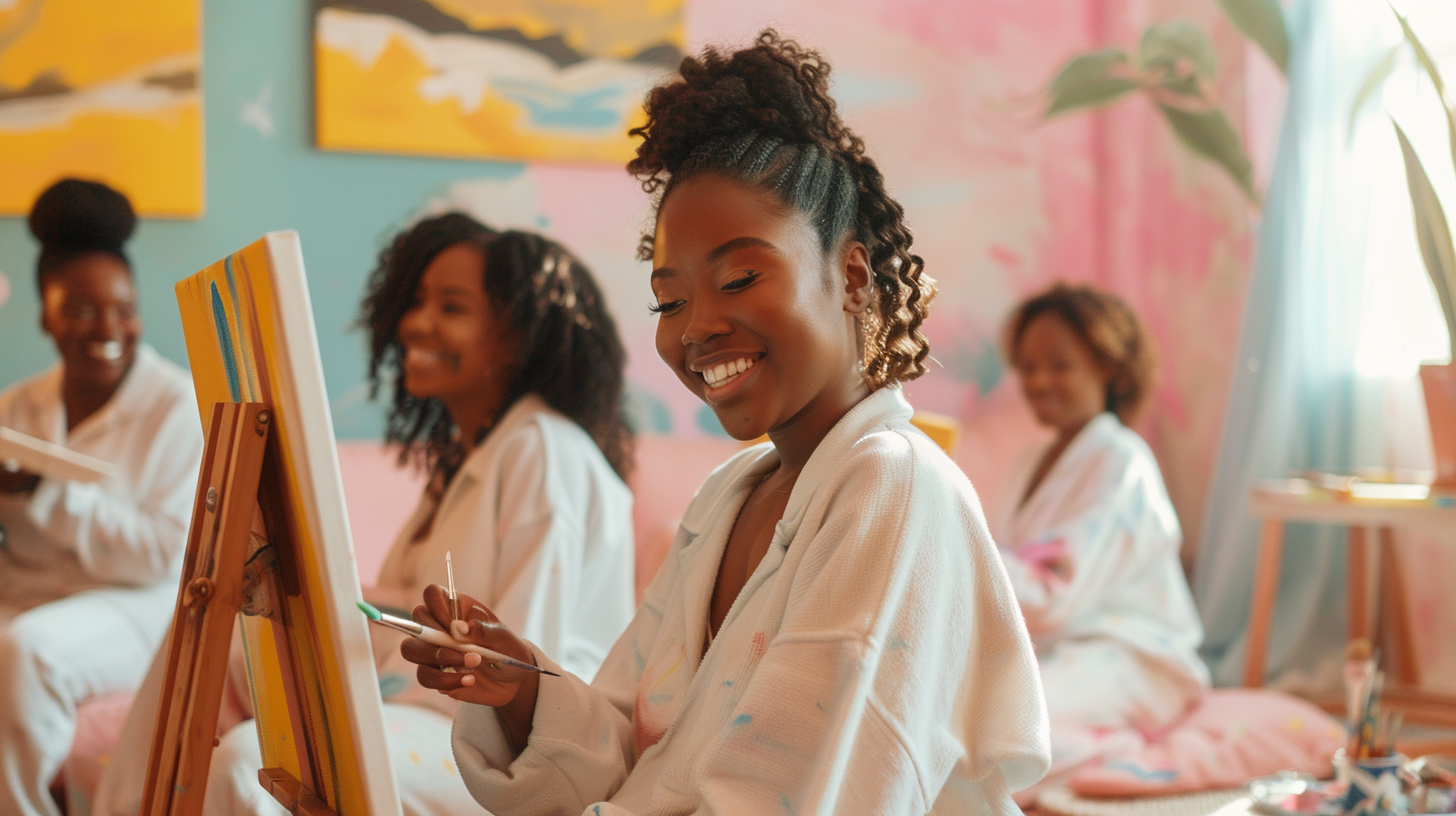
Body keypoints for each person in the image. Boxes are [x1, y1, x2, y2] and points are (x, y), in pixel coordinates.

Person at [402, 31, 1050, 816]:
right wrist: (523, 696)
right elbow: (634, 748)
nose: (697, 328)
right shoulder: (727, 498)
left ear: (850, 276)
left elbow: (798, 793)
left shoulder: (892, 488)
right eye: (669, 301)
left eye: (740, 277)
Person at [93, 215, 637, 816]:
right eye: (416, 301)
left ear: (517, 338)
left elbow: (522, 667)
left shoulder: (543, 450)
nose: (414, 323)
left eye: (450, 308)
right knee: (208, 619)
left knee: (248, 767)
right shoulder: (466, 461)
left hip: (496, 750)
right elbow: (414, 609)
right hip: (418, 705)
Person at [0, 179, 204, 816]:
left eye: (124, 307)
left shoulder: (178, 406)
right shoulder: (18, 405)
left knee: (26, 653)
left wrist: (49, 494)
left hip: (136, 604)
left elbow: (160, 553)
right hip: (30, 594)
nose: (109, 327)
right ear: (46, 316)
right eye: (82, 310)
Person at [994, 282, 1208, 792]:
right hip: (1055, 648)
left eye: (1059, 364)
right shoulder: (1028, 465)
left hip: (1132, 655)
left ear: (1108, 366)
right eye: (1027, 367)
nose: (1039, 380)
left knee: (1003, 731)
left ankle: (1122, 752)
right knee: (951, 709)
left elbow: (1049, 596)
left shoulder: (1121, 460)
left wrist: (960, 548)